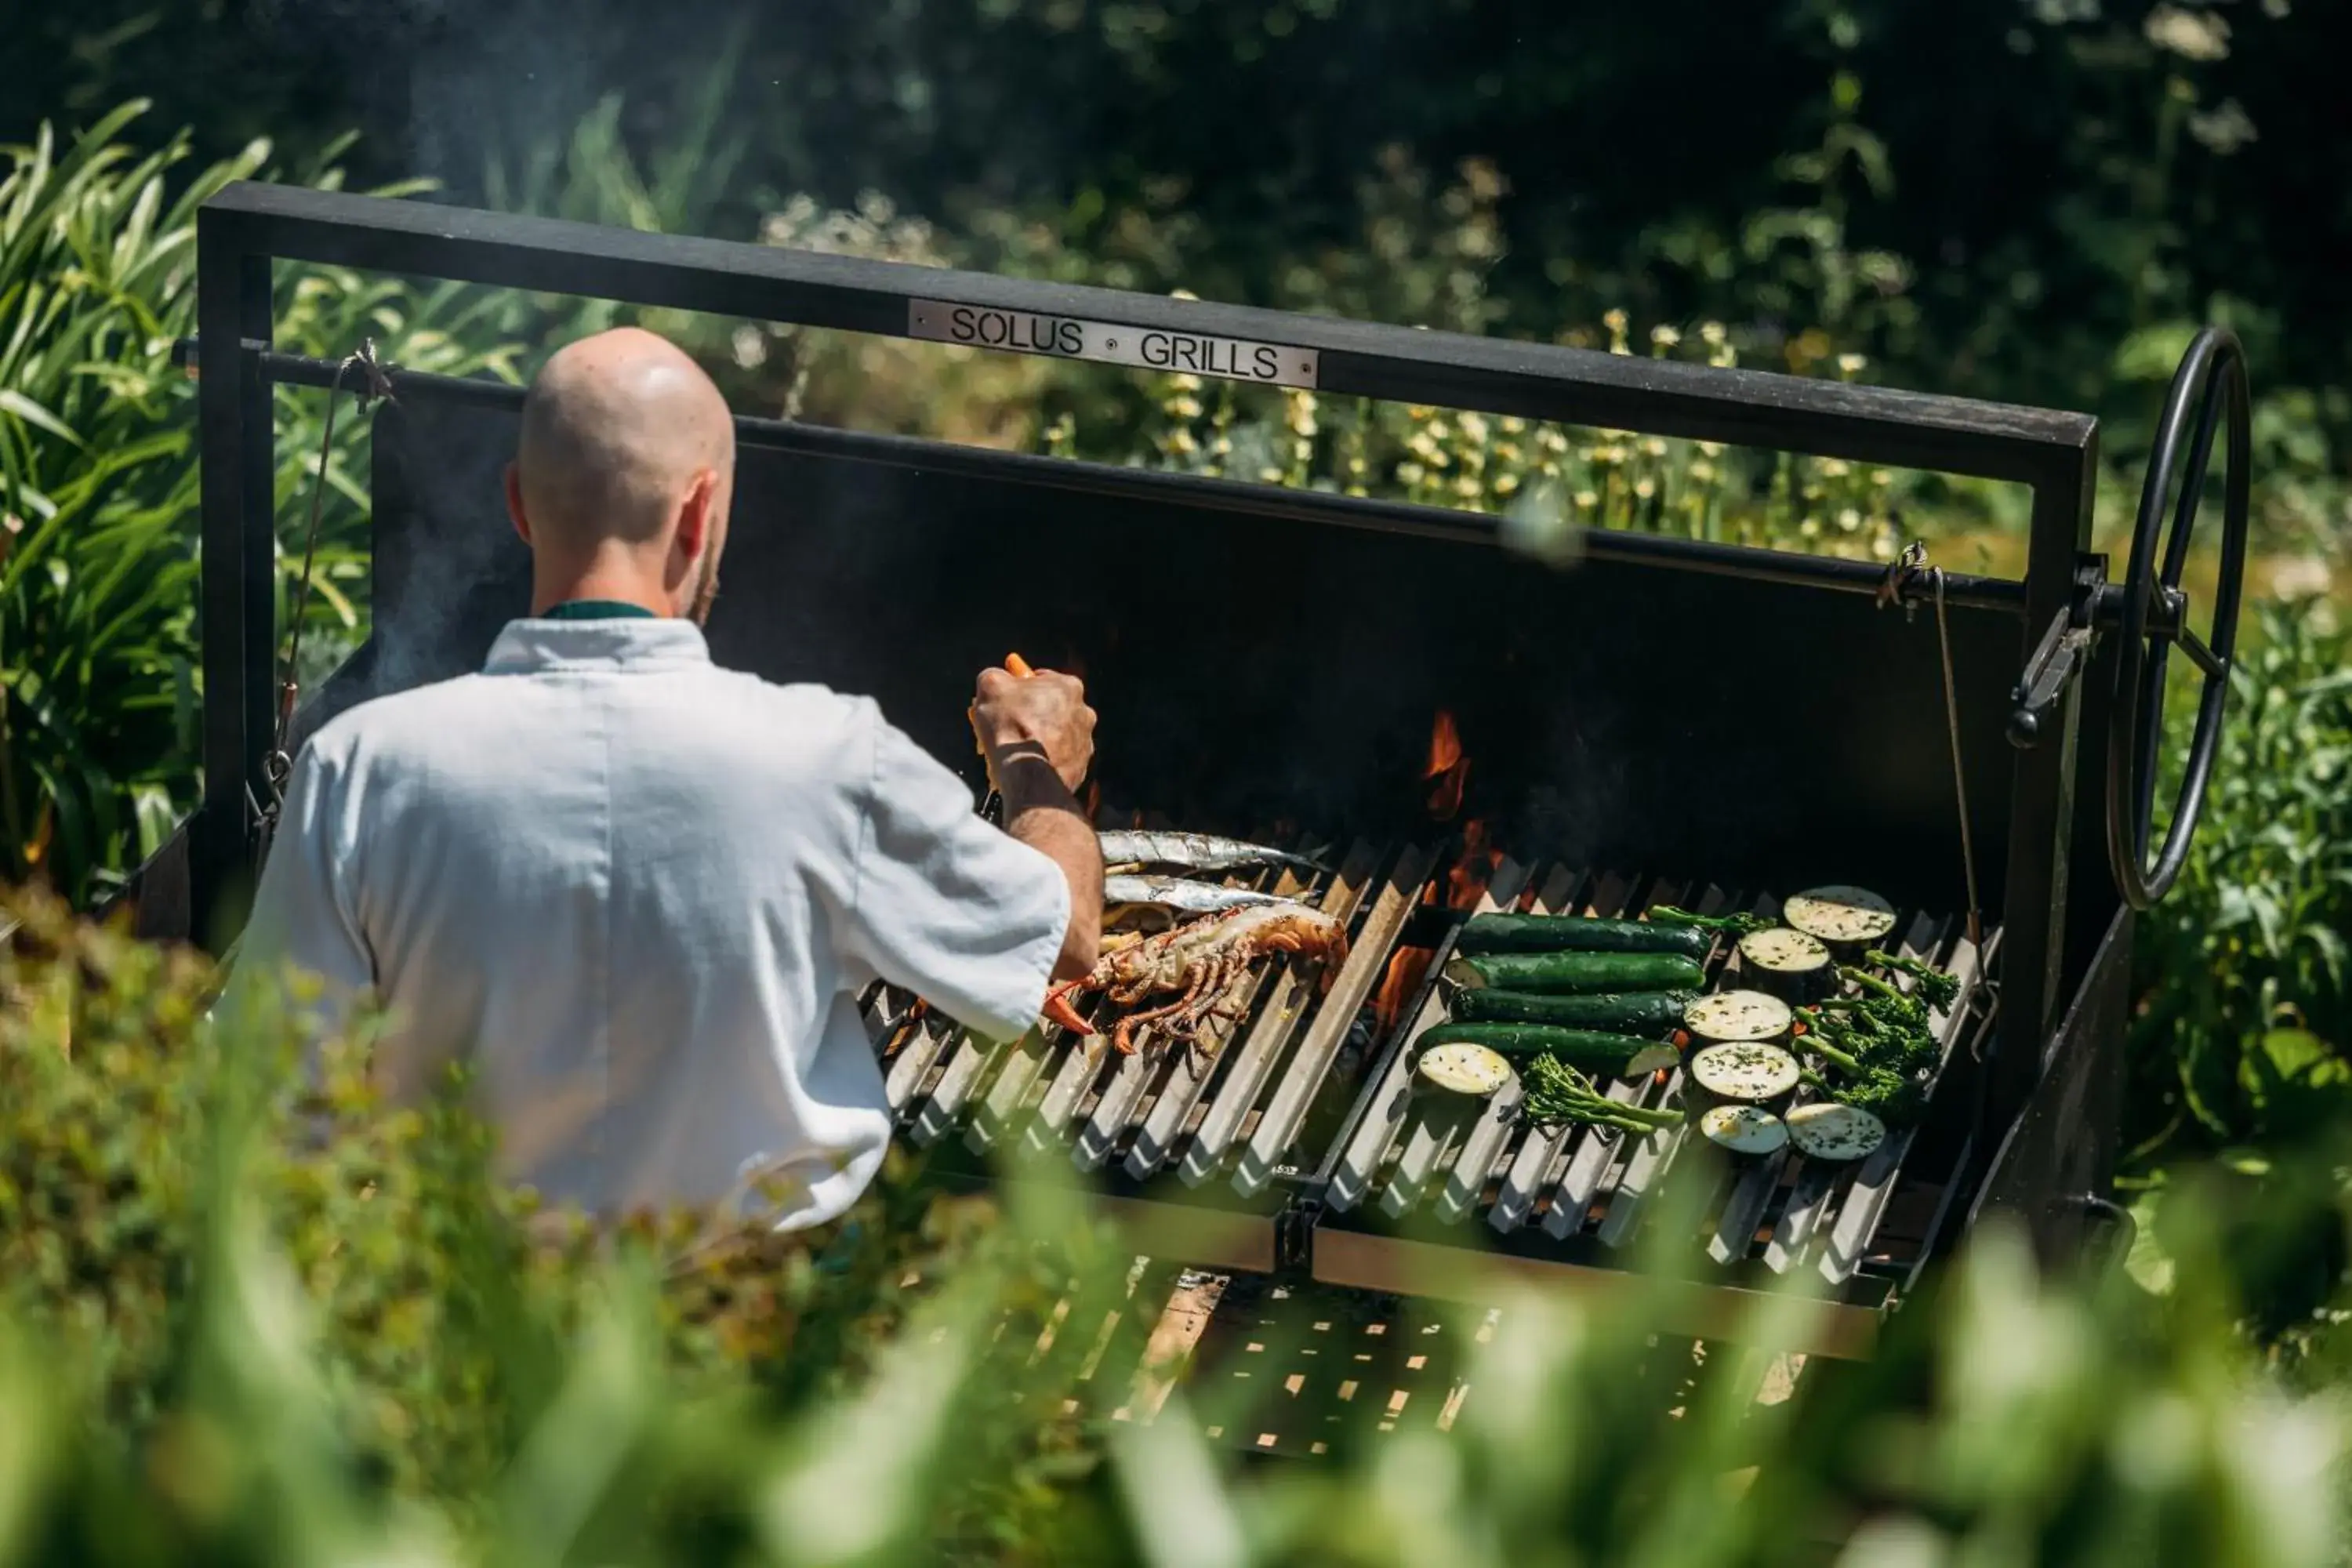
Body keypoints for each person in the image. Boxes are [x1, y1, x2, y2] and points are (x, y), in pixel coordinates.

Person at [229, 326, 1102, 1229]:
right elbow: (1065, 937)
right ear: (700, 512)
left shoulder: (359, 770)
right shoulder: (831, 760)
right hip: (750, 1335)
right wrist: (1032, 762)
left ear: (519, 506)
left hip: (461, 1331)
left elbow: (265, 1107)